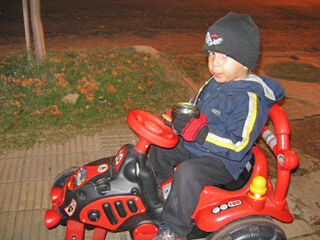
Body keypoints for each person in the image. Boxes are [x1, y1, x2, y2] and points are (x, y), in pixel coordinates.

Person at [150, 12, 285, 239]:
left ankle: (174, 228)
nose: (215, 62)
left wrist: (199, 134)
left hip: (224, 161)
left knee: (188, 172)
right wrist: (179, 116)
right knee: (161, 148)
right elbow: (198, 104)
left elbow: (238, 145)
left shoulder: (249, 100)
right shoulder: (215, 81)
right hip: (198, 144)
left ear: (245, 60)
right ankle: (160, 190)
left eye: (224, 55)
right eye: (212, 53)